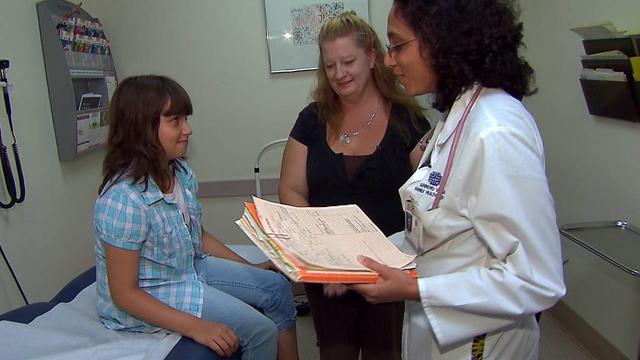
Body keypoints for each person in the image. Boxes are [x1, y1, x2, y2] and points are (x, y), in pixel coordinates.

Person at [350, 1, 566, 359]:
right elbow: (442, 229)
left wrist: (417, 287)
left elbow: (537, 279)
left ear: (442, 40)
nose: (389, 61)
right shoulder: (458, 115)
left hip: (481, 341)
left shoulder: (496, 132)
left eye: (398, 45)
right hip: (438, 330)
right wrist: (356, 256)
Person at [94, 75, 299, 360]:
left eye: (185, 119)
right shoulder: (123, 199)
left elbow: (197, 236)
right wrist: (196, 327)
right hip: (154, 292)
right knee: (260, 330)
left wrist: (250, 267)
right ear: (141, 128)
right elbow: (124, 294)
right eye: (175, 121)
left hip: (186, 271)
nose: (187, 130)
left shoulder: (179, 173)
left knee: (277, 288)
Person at [278, 11, 430, 360]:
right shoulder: (311, 121)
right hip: (328, 273)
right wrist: (326, 254)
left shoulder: (408, 121)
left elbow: (429, 195)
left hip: (387, 274)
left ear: (373, 56)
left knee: (385, 352)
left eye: (348, 61)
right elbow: (291, 190)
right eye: (330, 65)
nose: (339, 74)